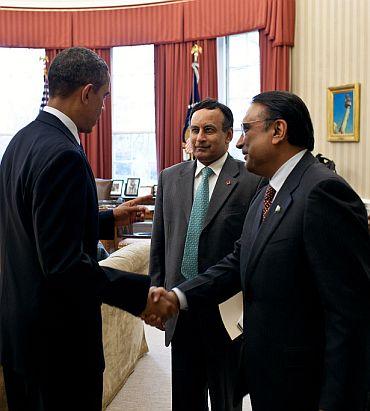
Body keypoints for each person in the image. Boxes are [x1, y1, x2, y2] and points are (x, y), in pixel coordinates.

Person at [148, 91, 370, 411]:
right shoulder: (268, 189)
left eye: (247, 129)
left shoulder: (322, 190)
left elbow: (349, 314)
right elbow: (239, 260)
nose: (240, 143)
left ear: (277, 131)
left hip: (304, 381)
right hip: (269, 373)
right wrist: (178, 297)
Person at [0, 47, 174, 411]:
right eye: (104, 97)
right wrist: (142, 294)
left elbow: (35, 227)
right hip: (59, 344)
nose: (103, 107)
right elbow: (63, 267)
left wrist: (108, 219)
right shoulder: (63, 153)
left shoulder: (21, 141)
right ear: (87, 92)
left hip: (20, 334)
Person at [149, 98, 260, 411]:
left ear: (228, 136)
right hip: (179, 309)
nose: (199, 137)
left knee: (226, 400)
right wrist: (156, 297)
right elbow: (159, 246)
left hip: (226, 313)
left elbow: (249, 253)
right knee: (185, 397)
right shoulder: (169, 177)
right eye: (194, 130)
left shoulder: (251, 180)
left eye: (209, 130)